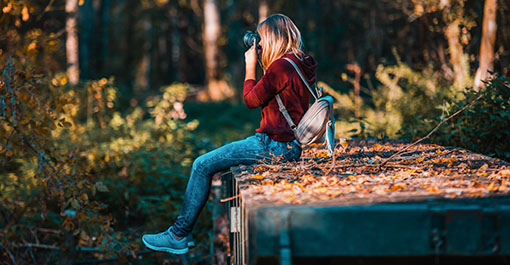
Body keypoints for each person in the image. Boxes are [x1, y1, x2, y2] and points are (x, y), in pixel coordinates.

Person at [141, 13, 317, 254]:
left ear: (273, 38)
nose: (260, 44)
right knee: (216, 160)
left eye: (262, 38)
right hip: (291, 145)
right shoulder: (301, 62)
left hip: (273, 145)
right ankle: (180, 234)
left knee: (201, 165)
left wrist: (249, 67)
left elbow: (250, 100)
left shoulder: (280, 67)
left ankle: (178, 235)